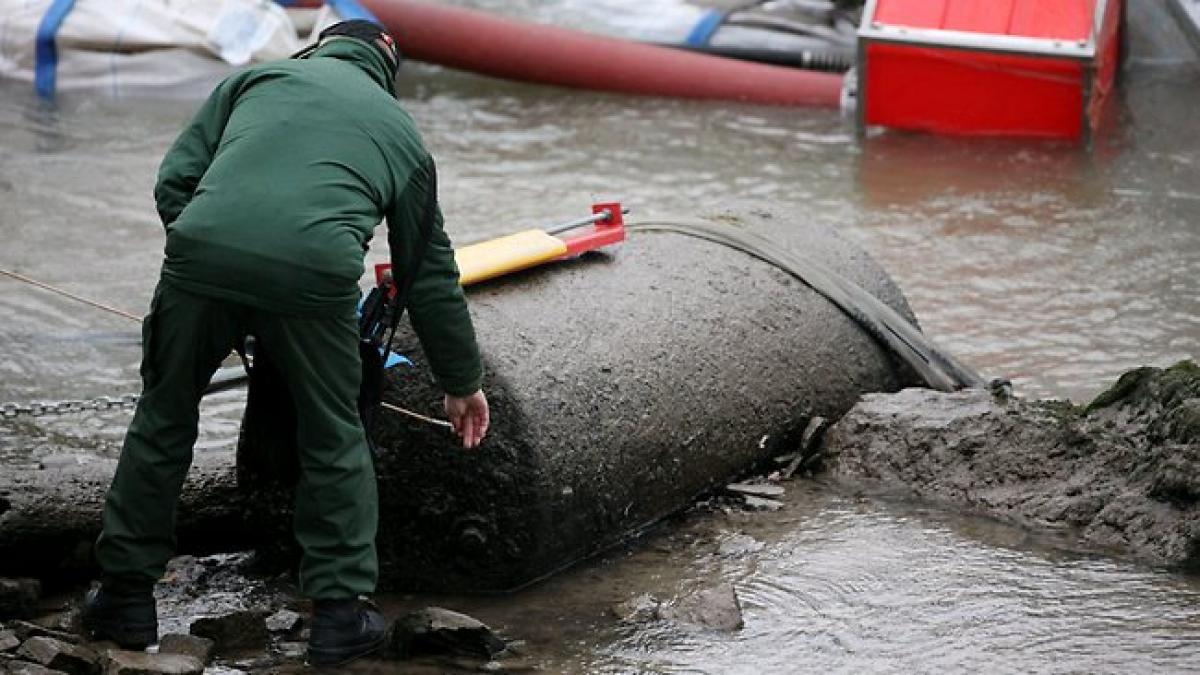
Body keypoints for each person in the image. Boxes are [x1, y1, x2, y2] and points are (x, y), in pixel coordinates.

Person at [81, 19, 489, 667]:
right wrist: (460, 381)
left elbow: (175, 181)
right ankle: (338, 615)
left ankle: (126, 595)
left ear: (318, 47)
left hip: (200, 254)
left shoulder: (255, 77)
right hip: (315, 274)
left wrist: (215, 263)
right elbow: (426, 270)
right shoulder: (402, 132)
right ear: (386, 72)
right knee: (332, 431)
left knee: (163, 412)